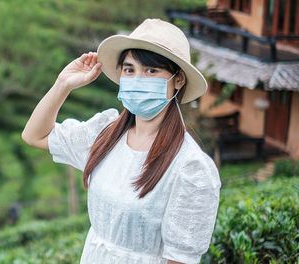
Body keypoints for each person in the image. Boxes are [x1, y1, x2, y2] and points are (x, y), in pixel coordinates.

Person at [21, 18, 221, 264]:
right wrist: (63, 84)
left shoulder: (190, 168)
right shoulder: (104, 135)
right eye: (129, 69)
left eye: (151, 70)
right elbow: (34, 135)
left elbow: (179, 259)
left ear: (178, 80)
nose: (138, 79)